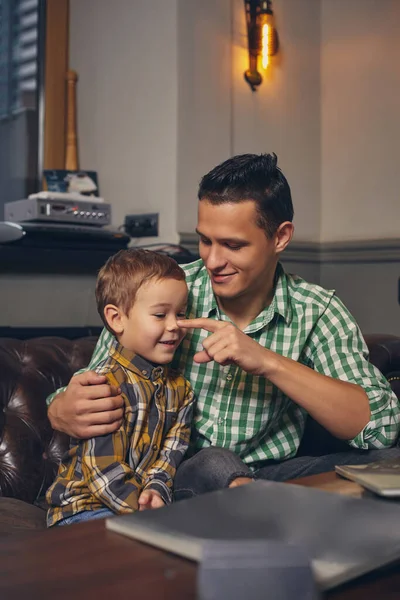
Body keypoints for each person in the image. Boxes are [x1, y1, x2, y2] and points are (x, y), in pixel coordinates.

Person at [47, 153, 400, 500]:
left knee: (388, 464)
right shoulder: (161, 292)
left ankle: (269, 519)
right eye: (205, 240)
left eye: (233, 245)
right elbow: (85, 389)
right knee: (217, 462)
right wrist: (60, 409)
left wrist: (267, 361)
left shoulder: (318, 311)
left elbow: (381, 427)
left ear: (280, 237)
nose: (213, 261)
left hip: (268, 477)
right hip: (172, 474)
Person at [46, 249, 194, 526]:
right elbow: (102, 470)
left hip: (138, 507)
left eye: (181, 314)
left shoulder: (181, 390)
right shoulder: (102, 384)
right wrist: (147, 516)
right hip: (84, 508)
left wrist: (156, 490)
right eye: (160, 314)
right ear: (116, 319)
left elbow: (171, 454)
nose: (175, 325)